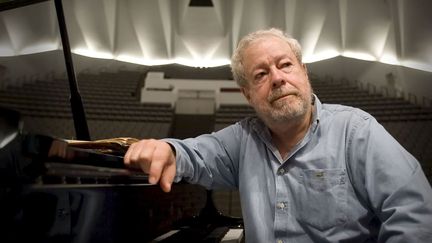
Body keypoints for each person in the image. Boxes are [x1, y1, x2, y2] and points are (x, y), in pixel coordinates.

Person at [124, 28, 432, 242]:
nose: (277, 79)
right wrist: (167, 149)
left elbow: (416, 217)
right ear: (247, 94)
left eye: (285, 65)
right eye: (261, 74)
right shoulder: (241, 140)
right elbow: (194, 153)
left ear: (303, 72)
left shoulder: (357, 131)